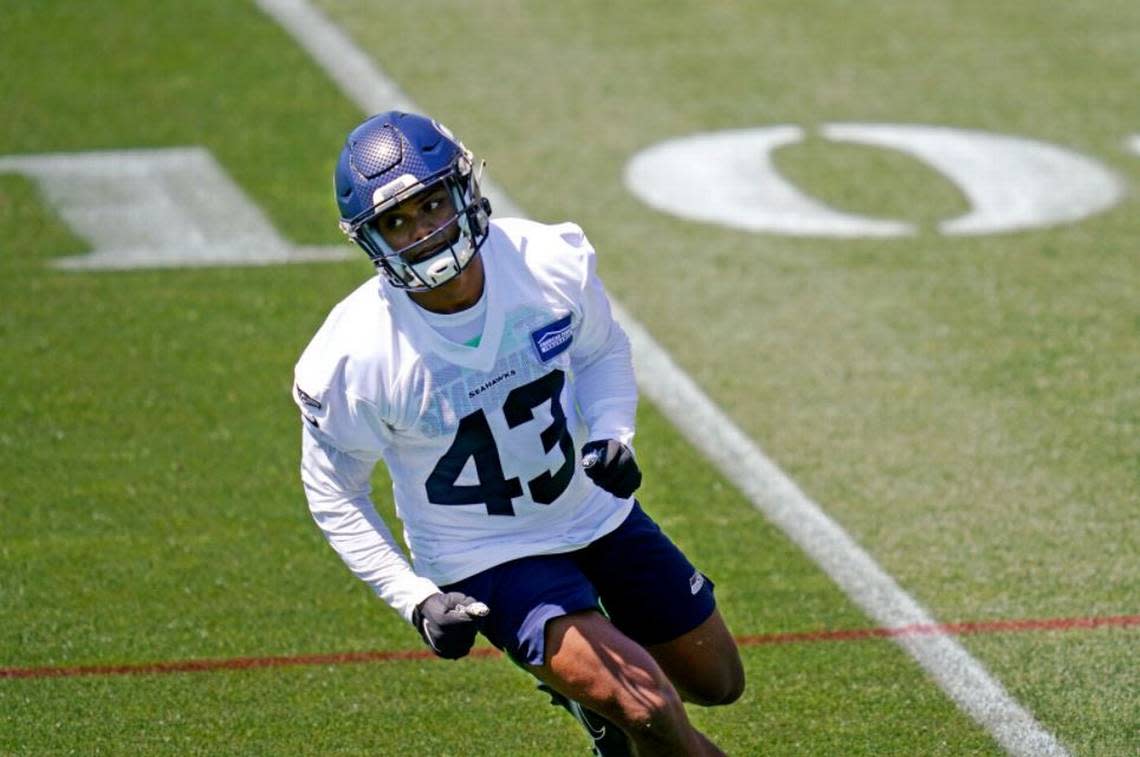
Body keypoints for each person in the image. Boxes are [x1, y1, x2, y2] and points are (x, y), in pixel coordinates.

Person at [294, 110, 744, 755]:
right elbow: (335, 494)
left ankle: (590, 703)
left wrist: (615, 432)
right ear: (371, 240)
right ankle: (606, 703)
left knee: (716, 682)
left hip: (589, 508)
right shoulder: (355, 356)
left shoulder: (547, 260)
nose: (422, 232)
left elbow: (599, 351)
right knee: (647, 707)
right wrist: (416, 598)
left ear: (464, 189)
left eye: (430, 205)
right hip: (484, 549)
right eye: (396, 222)